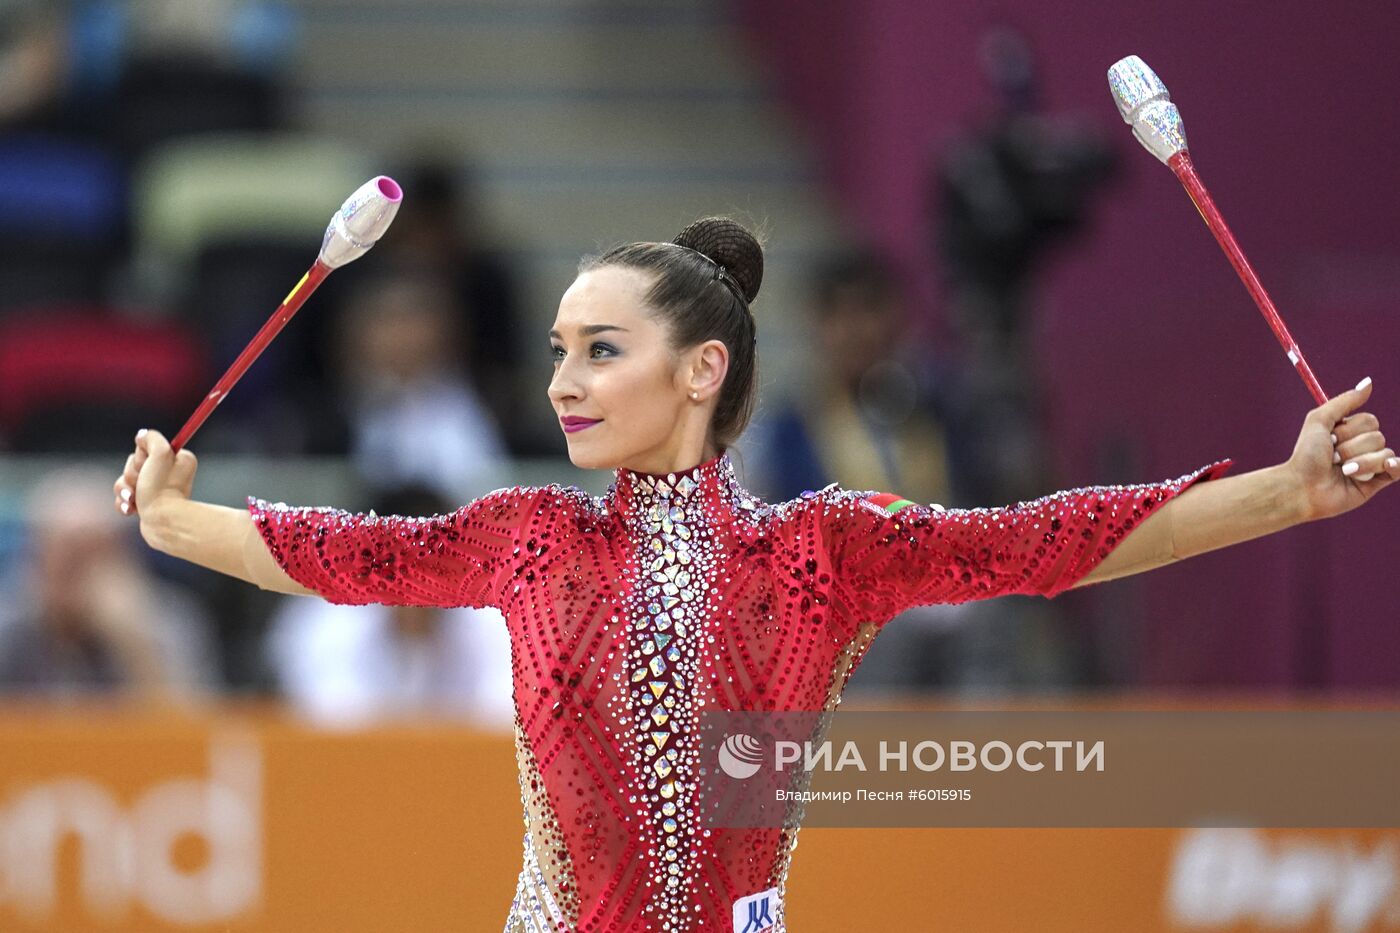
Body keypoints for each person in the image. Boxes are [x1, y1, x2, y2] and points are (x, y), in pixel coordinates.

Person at [112, 217, 1398, 931]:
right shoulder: (530, 535)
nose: (562, 379)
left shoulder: (821, 549)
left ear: (701, 369)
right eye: (559, 348)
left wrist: (1289, 491)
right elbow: (337, 554)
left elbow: (1053, 537)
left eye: (601, 349)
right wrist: (173, 521)